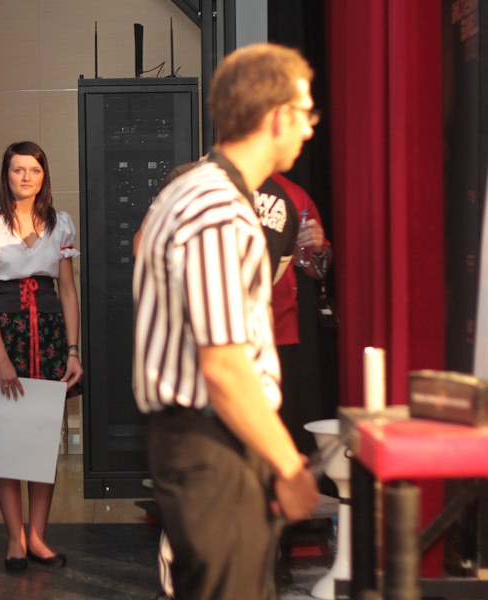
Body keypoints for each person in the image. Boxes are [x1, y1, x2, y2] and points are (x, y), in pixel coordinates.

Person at [133, 43, 320, 600]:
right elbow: (223, 367)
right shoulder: (217, 207)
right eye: (305, 114)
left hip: (207, 441)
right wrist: (290, 467)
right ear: (277, 115)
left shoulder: (190, 191)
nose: (309, 129)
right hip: (213, 444)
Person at [0, 140, 83, 573]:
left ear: (44, 176)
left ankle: (39, 537)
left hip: (48, 334)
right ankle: (14, 539)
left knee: (44, 439)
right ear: (5, 175)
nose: (25, 178)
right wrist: (0, 358)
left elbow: (67, 290)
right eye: (17, 170)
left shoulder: (59, 224)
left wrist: (73, 349)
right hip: (5, 331)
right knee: (8, 439)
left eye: (34, 171)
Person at [270, 173, 332, 456]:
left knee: (278, 432)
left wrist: (317, 247)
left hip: (280, 332)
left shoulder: (293, 193)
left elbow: (315, 270)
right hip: (223, 332)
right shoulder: (212, 182)